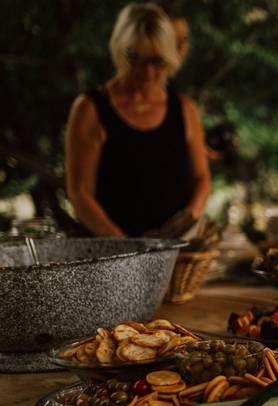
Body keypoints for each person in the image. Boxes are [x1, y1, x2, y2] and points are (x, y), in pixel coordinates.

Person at [65, 2, 210, 237]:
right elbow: (80, 193)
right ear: (120, 50)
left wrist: (181, 228)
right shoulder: (90, 109)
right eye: (136, 59)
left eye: (157, 62)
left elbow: (201, 179)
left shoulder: (185, 109)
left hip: (175, 252)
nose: (147, 72)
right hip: (110, 253)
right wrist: (124, 245)